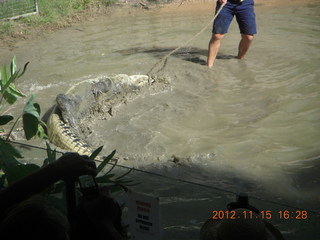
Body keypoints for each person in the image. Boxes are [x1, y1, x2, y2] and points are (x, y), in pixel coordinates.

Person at [207, 0, 257, 68]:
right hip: (226, 4)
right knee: (217, 36)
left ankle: (240, 60)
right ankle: (209, 67)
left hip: (246, 4)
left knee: (248, 37)